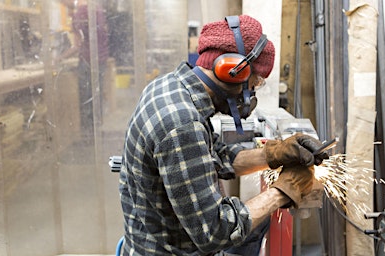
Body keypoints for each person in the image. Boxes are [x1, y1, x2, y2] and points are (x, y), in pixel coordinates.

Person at [118, 15, 328, 256]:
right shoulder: (183, 124)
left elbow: (218, 156)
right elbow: (215, 232)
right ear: (233, 72)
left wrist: (275, 153)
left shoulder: (171, 87)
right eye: (255, 82)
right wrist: (284, 190)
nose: (253, 91)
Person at [56, 0, 110, 140]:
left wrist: (59, 58)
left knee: (86, 99)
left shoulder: (80, 13)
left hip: (87, 62)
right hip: (101, 59)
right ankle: (96, 131)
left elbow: (78, 45)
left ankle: (88, 136)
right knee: (96, 97)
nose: (62, 5)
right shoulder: (97, 8)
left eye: (62, 2)